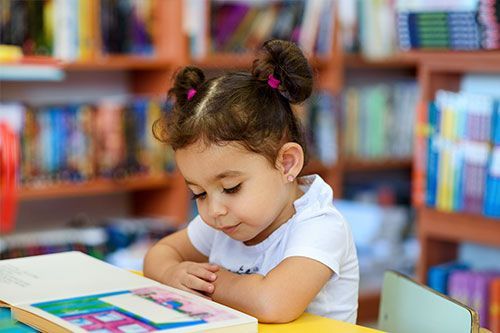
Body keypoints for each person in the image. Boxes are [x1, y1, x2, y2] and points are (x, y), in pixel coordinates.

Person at [144, 39, 359, 324]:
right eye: (199, 194)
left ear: (287, 163)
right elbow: (158, 255)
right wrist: (173, 273)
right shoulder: (226, 222)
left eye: (231, 188)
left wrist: (206, 282)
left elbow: (273, 304)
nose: (214, 210)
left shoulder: (320, 226)